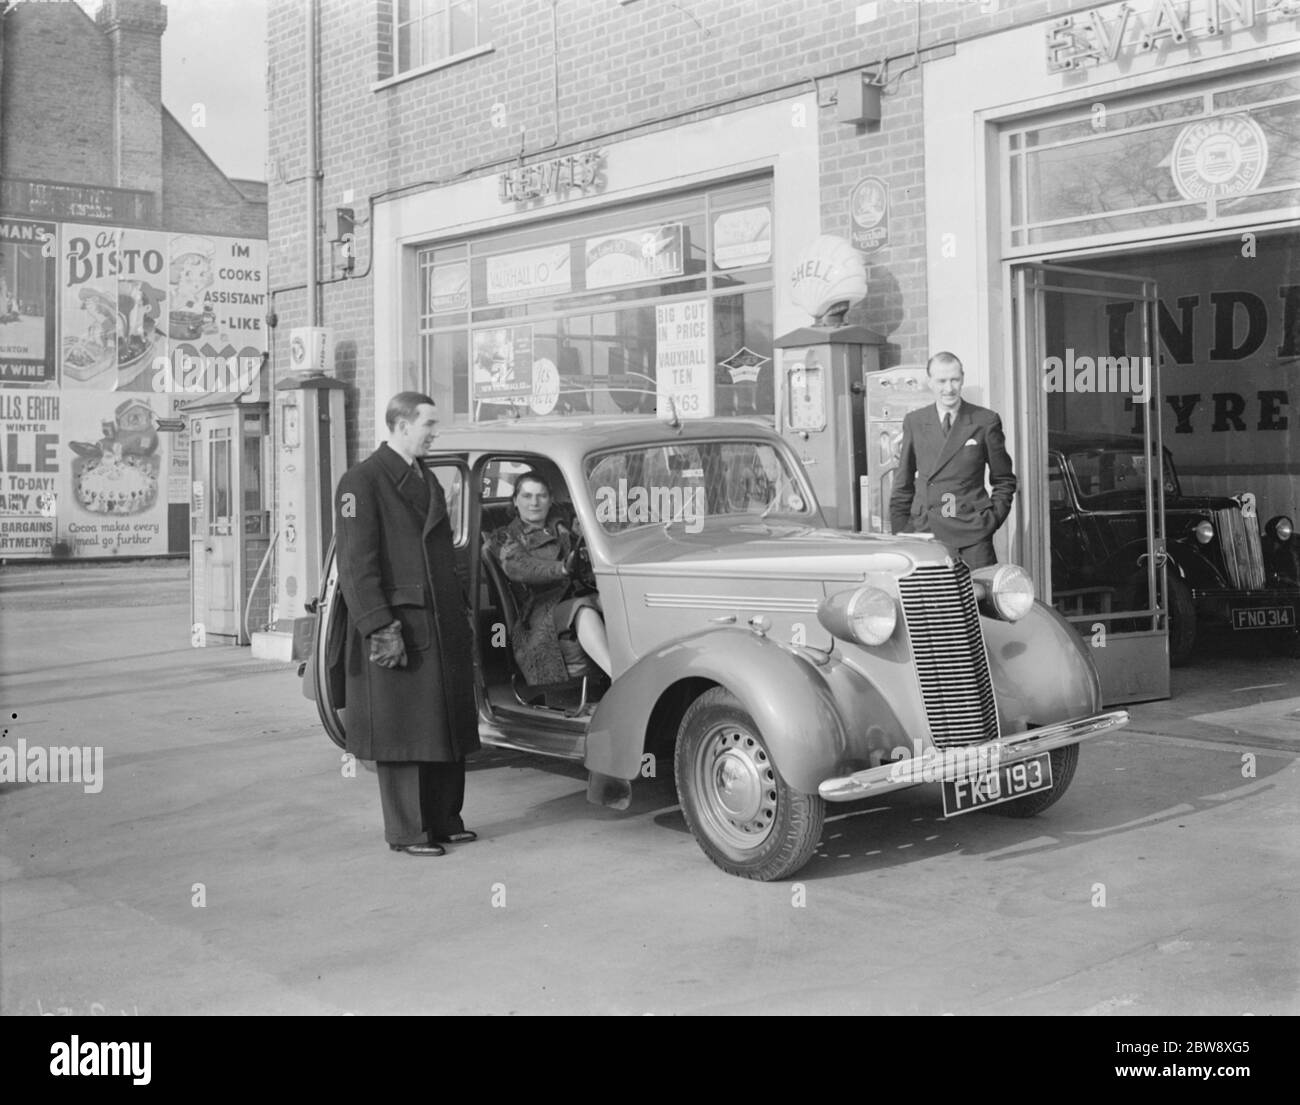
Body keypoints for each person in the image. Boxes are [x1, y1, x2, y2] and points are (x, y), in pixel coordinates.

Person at [333, 391, 480, 857]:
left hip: (437, 620)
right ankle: (408, 831)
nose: (435, 433)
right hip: (400, 625)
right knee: (405, 733)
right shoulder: (361, 482)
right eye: (429, 425)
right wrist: (379, 626)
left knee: (441, 726)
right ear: (400, 426)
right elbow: (357, 565)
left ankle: (443, 819)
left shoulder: (426, 478)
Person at [889, 351, 1017, 568]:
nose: (948, 388)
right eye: (941, 381)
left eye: (954, 380)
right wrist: (903, 532)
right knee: (929, 601)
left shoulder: (984, 421)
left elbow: (1004, 480)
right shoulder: (915, 421)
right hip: (925, 536)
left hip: (972, 538)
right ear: (930, 382)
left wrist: (990, 521)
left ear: (962, 379)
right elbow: (903, 482)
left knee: (978, 600)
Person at [491, 471, 612, 683]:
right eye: (527, 496)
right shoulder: (504, 536)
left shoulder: (564, 523)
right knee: (582, 609)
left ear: (551, 500)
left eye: (542, 496)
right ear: (515, 501)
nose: (534, 502)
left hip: (584, 591)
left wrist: (582, 532)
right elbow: (521, 567)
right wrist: (562, 568)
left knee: (618, 602)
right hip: (541, 611)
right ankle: (618, 677)